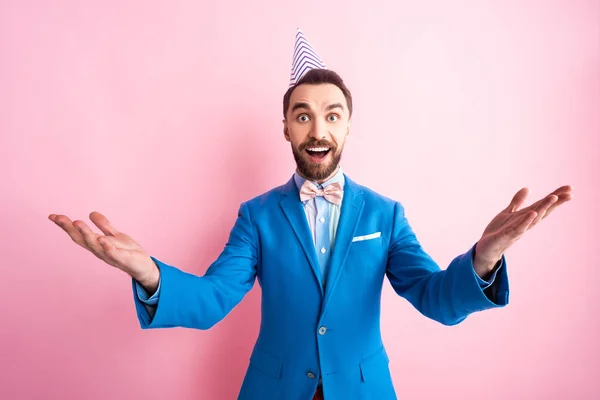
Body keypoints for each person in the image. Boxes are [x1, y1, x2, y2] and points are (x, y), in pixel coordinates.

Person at [49, 29, 573, 400]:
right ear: (286, 128)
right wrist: (148, 273)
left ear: (348, 128)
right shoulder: (256, 217)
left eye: (331, 116)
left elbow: (434, 297)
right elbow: (212, 300)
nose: (317, 129)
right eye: (303, 116)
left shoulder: (385, 215)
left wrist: (482, 261)